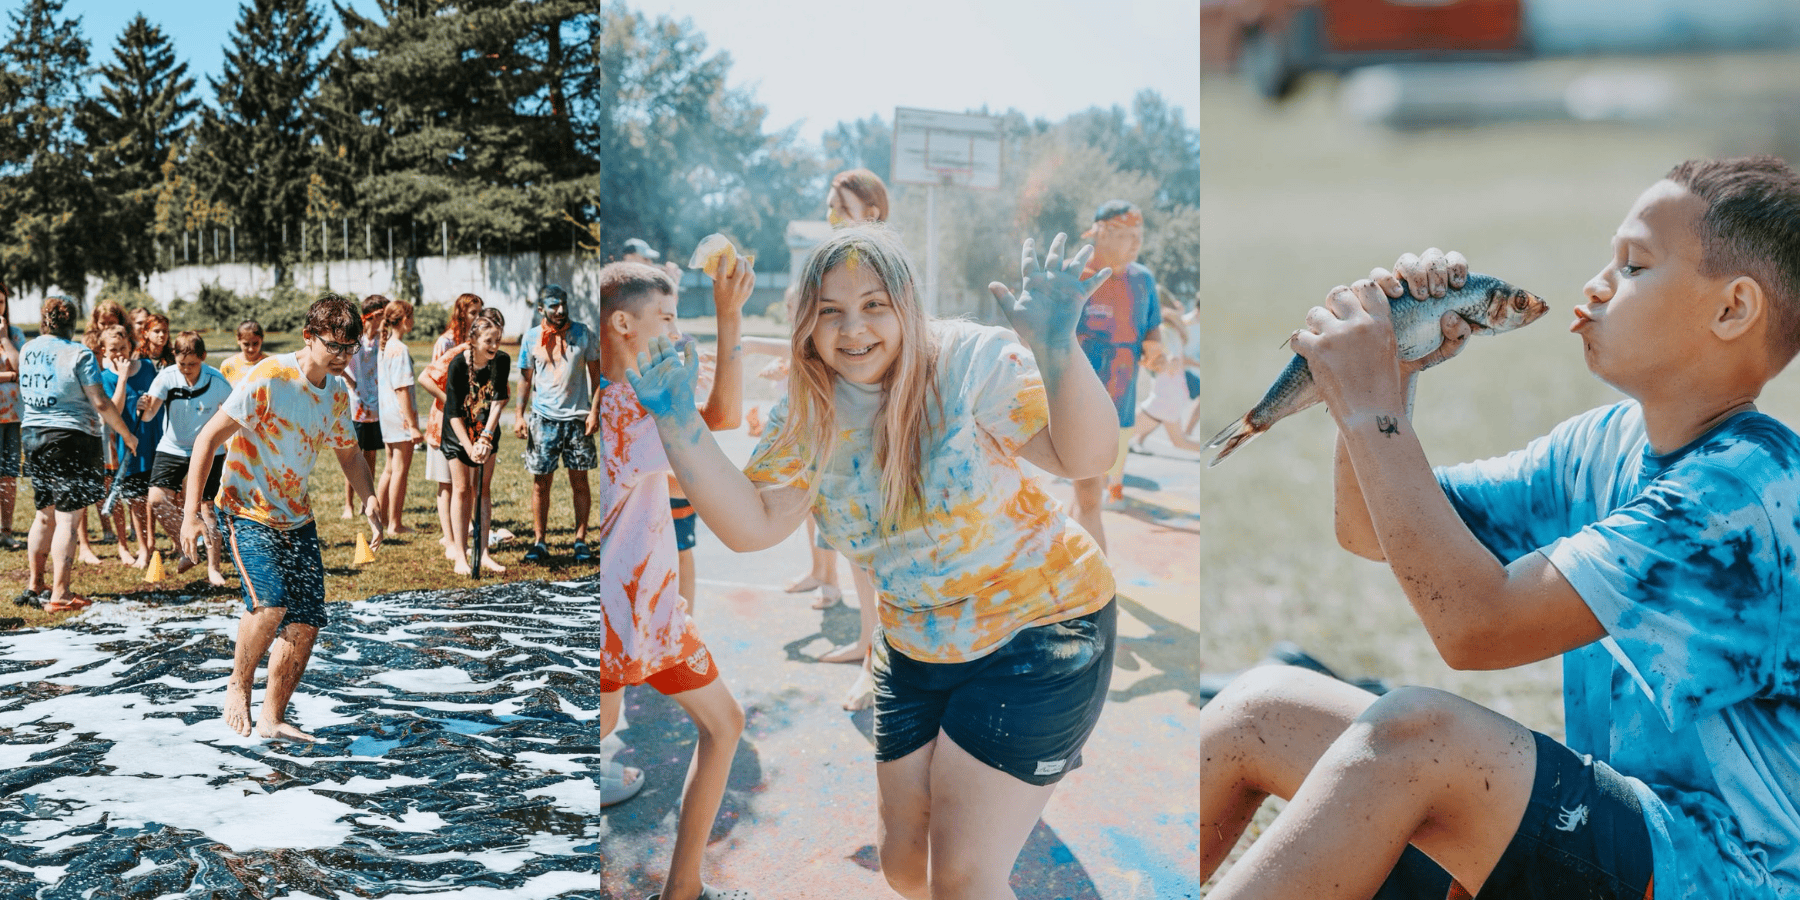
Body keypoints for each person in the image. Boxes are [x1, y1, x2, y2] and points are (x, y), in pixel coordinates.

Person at [1200, 157, 1800, 899]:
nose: (1596, 285)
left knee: (1417, 736)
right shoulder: (1606, 442)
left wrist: (1370, 409)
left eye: (1635, 265)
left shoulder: (1742, 493)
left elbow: (1476, 629)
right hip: (1614, 846)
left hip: (1718, 880)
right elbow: (1373, 530)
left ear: (1733, 310)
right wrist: (1400, 362)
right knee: (1259, 711)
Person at [629, 225, 1121, 899]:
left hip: (1041, 632)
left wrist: (1058, 345)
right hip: (915, 643)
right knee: (904, 869)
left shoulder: (968, 362)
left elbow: (1086, 458)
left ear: (907, 305)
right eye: (830, 310)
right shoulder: (809, 410)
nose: (852, 329)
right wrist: (678, 422)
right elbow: (753, 525)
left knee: (962, 877)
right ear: (808, 320)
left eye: (873, 305)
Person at [600, 258, 753, 900]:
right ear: (623, 323)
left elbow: (712, 417)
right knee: (615, 727)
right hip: (630, 622)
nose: (675, 330)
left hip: (646, 621)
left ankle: (684, 885)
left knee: (724, 725)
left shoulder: (619, 400)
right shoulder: (633, 411)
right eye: (666, 317)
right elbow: (726, 419)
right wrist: (729, 315)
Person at [183, 293, 383, 741]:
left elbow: (349, 454)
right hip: (245, 508)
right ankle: (238, 682)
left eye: (350, 348)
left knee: (307, 622)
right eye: (334, 346)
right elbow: (207, 440)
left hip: (296, 516)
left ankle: (273, 717)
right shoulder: (270, 377)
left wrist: (369, 499)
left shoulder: (336, 392)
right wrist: (192, 514)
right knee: (271, 604)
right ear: (309, 337)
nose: (342, 357)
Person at [18, 296, 141, 611]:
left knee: (44, 515)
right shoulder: (79, 353)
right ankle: (60, 593)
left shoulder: (28, 349)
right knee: (68, 520)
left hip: (32, 435)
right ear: (73, 323)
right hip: (70, 438)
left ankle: (35, 585)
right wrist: (127, 434)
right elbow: (100, 402)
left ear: (45, 321)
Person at [1072, 199, 1162, 552]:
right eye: (1127, 234)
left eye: (1139, 234)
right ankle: (1099, 590)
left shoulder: (1143, 280)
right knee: (1091, 498)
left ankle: (1068, 565)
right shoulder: (1074, 276)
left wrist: (1158, 352)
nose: (1136, 243)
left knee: (1087, 496)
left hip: (1122, 407)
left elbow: (1152, 330)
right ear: (1101, 233)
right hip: (1078, 407)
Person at [513, 283, 602, 564]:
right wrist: (519, 414)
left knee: (580, 481)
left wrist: (594, 412)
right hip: (543, 419)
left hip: (577, 419)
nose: (561, 310)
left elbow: (598, 378)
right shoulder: (530, 338)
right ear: (542, 309)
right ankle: (540, 542)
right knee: (541, 483)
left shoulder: (583, 334)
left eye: (563, 304)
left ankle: (580, 540)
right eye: (553, 305)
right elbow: (525, 379)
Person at [140, 331, 234, 587]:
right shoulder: (167, 377)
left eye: (193, 364)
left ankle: (214, 569)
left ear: (203, 357)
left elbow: (236, 416)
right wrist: (143, 408)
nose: (187, 370)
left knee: (207, 509)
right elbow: (149, 416)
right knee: (156, 500)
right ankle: (187, 549)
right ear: (175, 359)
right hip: (172, 447)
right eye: (182, 364)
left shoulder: (217, 381)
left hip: (209, 451)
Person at [441, 315, 510, 575]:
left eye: (498, 340)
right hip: (458, 433)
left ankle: (483, 553)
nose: (494, 346)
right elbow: (453, 413)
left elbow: (498, 402)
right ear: (473, 340)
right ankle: (460, 554)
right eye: (488, 341)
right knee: (462, 490)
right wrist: (470, 447)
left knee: (483, 489)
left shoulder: (501, 361)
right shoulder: (458, 365)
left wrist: (486, 438)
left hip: (486, 431)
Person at [97, 325, 160, 567]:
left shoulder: (146, 367)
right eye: (113, 350)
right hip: (126, 445)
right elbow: (116, 410)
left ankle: (157, 543)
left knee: (154, 497)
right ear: (104, 350)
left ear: (131, 346)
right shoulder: (105, 378)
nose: (119, 353)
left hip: (151, 439)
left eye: (123, 348)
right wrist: (122, 378)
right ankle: (143, 549)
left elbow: (158, 400)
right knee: (135, 499)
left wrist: (149, 403)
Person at [427, 293, 484, 554]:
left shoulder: (476, 341)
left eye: (480, 312)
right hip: (444, 420)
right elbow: (431, 379)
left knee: (466, 483)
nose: (478, 317)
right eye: (473, 312)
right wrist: (453, 402)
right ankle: (449, 540)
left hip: (468, 421)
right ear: (461, 313)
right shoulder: (446, 342)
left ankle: (463, 531)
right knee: (447, 482)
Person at [1127, 311, 1205, 454]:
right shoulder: (1173, 332)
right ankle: (1215, 451)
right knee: (1180, 442)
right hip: (1173, 396)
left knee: (1122, 433)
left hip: (1164, 398)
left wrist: (1153, 361)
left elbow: (1173, 361)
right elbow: (1179, 360)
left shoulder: (1164, 332)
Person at [341, 295, 389, 519]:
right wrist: (350, 381)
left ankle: (366, 500)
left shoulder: (383, 338)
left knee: (370, 454)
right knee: (354, 453)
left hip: (377, 402)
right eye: (383, 315)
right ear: (374, 315)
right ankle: (348, 505)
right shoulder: (355, 338)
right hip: (356, 403)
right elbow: (337, 359)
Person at [375, 300, 420, 535]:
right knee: (400, 471)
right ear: (405, 320)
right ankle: (395, 523)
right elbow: (402, 389)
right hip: (400, 417)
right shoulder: (399, 349)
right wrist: (413, 425)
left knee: (390, 468)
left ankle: (381, 519)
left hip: (387, 414)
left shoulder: (385, 347)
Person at [0, 282, 25, 551]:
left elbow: (23, 368)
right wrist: (9, 376)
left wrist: (5, 339)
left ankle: (6, 531)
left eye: (2, 303)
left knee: (8, 476)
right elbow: (14, 373)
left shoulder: (14, 334)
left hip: (12, 417)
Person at [218, 320, 267, 387]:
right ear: (238, 340)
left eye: (255, 343)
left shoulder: (270, 363)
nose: (251, 349)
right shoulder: (228, 365)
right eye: (246, 344)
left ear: (262, 339)